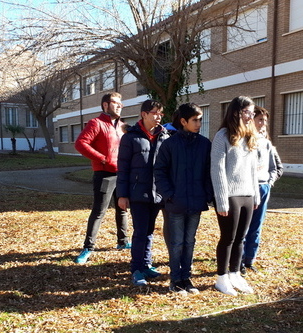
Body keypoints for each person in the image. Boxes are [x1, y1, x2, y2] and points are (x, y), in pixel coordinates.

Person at [154, 103, 213, 295]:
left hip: (196, 202)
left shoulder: (205, 144)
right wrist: (169, 194)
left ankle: (187, 278)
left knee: (190, 241)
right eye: (195, 120)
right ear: (183, 121)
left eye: (200, 119)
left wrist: (207, 195)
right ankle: (175, 279)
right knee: (177, 242)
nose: (199, 123)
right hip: (175, 203)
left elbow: (208, 172)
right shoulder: (169, 144)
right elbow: (159, 171)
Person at [210, 96, 260, 296]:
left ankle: (234, 274)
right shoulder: (222, 136)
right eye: (248, 112)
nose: (251, 116)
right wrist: (221, 199)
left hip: (247, 194)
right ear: (236, 112)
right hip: (229, 196)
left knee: (241, 238)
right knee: (228, 238)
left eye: (252, 112)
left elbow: (253, 170)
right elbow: (217, 169)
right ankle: (221, 278)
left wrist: (255, 194)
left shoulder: (250, 136)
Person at [116, 99, 169, 286]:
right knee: (140, 232)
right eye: (154, 113)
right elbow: (122, 168)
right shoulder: (130, 137)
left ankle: (146, 264)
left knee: (149, 231)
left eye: (160, 114)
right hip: (137, 193)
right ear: (144, 114)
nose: (158, 117)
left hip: (157, 194)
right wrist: (122, 195)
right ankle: (136, 269)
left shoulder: (164, 136)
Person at [74, 92, 130, 265]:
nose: (120, 106)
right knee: (99, 211)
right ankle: (88, 248)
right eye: (116, 103)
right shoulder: (95, 123)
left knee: (122, 209)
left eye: (121, 103)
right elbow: (80, 143)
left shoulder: (122, 126)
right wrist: (102, 158)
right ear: (105, 105)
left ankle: (123, 242)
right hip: (104, 174)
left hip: (122, 174)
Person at [242, 106, 283, 275]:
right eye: (259, 120)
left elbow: (275, 167)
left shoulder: (266, 143)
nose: (262, 124)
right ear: (251, 120)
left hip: (263, 186)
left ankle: (250, 259)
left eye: (265, 121)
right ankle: (239, 261)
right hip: (247, 189)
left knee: (256, 226)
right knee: (243, 226)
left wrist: (269, 181)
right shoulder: (243, 140)